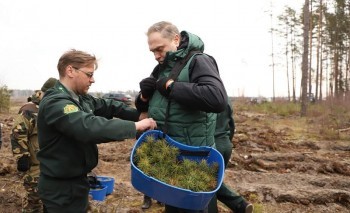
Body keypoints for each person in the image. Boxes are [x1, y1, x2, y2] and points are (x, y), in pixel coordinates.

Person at [36, 49, 157, 213]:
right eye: (89, 74)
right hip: (60, 188)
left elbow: (110, 106)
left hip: (77, 183)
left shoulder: (80, 98)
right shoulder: (55, 102)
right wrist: (135, 127)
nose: (93, 80)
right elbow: (88, 127)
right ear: (70, 70)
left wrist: (142, 115)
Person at [135, 21, 228, 213]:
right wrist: (144, 96)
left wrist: (170, 86)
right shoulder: (163, 67)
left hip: (195, 158)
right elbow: (155, 104)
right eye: (152, 51)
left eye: (159, 49)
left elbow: (216, 98)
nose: (156, 55)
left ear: (176, 39)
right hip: (171, 155)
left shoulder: (198, 60)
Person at [10, 77, 57, 213]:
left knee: (52, 200)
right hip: (35, 165)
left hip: (53, 163)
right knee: (34, 201)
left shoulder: (54, 107)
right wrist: (22, 157)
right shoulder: (29, 110)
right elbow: (18, 132)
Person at [215, 98, 253, 213]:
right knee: (215, 180)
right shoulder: (225, 98)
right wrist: (228, 142)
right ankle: (240, 205)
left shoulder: (204, 97)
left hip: (214, 145)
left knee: (211, 183)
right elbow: (232, 124)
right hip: (226, 145)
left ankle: (239, 204)